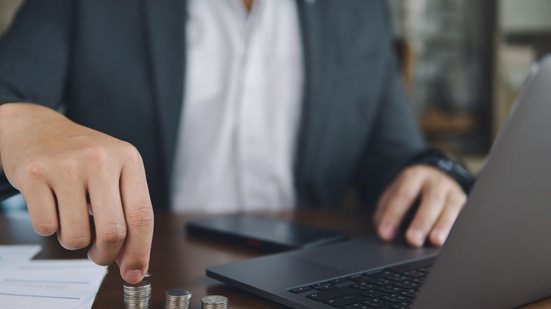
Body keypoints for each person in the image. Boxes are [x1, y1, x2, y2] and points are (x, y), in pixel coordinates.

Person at [0, 0, 472, 284]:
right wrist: (16, 124)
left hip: (310, 282)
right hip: (136, 279)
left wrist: (435, 175)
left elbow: (396, 159)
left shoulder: (357, 8)